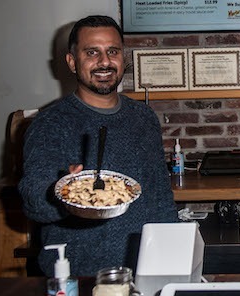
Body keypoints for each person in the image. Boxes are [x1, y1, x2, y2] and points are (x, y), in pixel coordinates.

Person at [18, 15, 178, 277]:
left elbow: (159, 196)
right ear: (72, 62)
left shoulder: (143, 117)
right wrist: (63, 193)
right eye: (92, 52)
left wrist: (172, 253)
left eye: (112, 51)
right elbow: (32, 202)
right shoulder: (50, 123)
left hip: (143, 270)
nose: (104, 62)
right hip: (78, 275)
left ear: (123, 58)